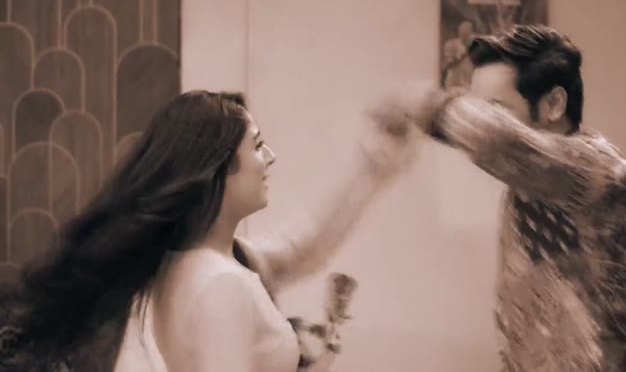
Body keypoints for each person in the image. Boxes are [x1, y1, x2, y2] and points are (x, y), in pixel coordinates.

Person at [0, 90, 420, 372]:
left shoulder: (186, 263)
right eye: (258, 145)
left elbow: (304, 248)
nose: (270, 157)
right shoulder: (221, 282)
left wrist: (373, 167)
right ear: (217, 169)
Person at [377, 25, 626, 371]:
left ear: (553, 103)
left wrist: (421, 104)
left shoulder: (598, 170)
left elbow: (498, 140)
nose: (482, 117)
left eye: (495, 109)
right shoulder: (530, 186)